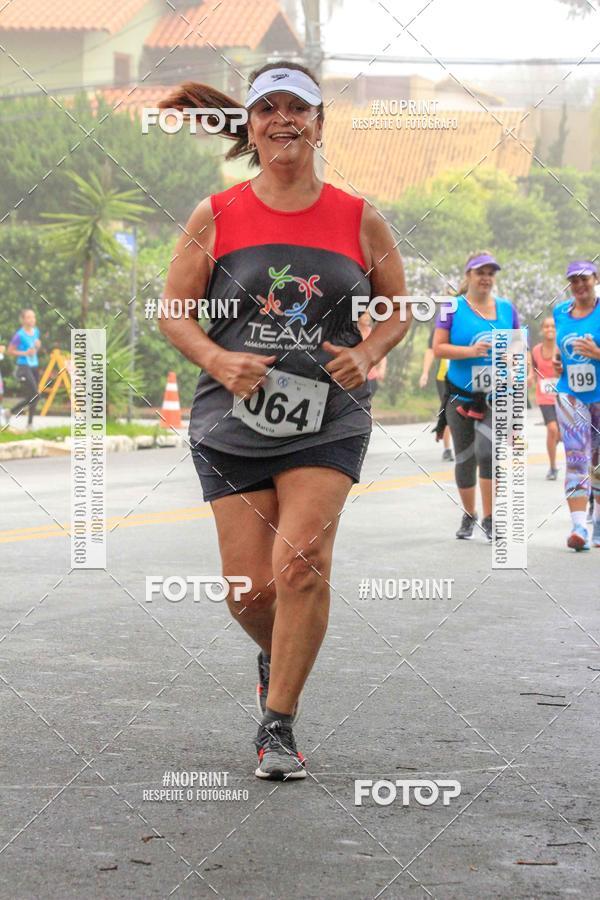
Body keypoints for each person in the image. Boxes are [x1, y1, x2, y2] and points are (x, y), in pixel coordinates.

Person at [158, 62, 410, 780]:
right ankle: (278, 652)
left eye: (296, 107)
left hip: (328, 416)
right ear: (252, 125)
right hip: (231, 420)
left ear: (320, 122)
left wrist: (370, 349)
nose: (281, 119)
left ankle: (279, 724)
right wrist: (219, 360)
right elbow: (175, 313)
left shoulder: (359, 215)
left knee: (300, 563)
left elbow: (397, 307)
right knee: (250, 589)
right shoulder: (217, 213)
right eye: (266, 107)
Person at [433, 251, 520, 541]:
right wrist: (470, 352)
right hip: (460, 395)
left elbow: (518, 352)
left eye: (490, 273)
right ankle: (469, 515)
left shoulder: (508, 309)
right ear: (468, 275)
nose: (485, 278)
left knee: (488, 452)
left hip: (497, 396)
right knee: (465, 458)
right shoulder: (450, 307)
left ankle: (491, 518)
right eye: (480, 272)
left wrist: (517, 371)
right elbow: (439, 349)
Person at [552, 261, 600, 551]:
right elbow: (564, 348)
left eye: (584, 278)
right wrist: (562, 362)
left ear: (595, 279)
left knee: (598, 463)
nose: (579, 284)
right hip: (570, 394)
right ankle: (578, 527)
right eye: (574, 280)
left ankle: (598, 529)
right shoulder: (560, 312)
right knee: (575, 458)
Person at [529, 316, 560, 480]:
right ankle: (553, 467)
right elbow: (533, 370)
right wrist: (530, 378)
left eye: (553, 326)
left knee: (559, 434)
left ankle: (556, 440)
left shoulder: (562, 348)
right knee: (552, 429)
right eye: (546, 327)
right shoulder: (535, 350)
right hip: (544, 397)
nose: (549, 329)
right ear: (542, 330)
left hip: (563, 396)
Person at [420, 329, 453, 460]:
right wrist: (425, 373)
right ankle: (447, 449)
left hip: (466, 376)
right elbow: (430, 350)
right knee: (448, 410)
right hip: (444, 377)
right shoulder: (440, 327)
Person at [7, 309, 41, 429]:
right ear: (23, 320)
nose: (32, 320)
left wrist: (37, 346)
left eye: (33, 317)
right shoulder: (19, 335)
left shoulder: (36, 331)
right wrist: (25, 353)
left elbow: (35, 348)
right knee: (36, 395)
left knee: (32, 396)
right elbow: (10, 351)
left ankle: (28, 423)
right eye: (29, 317)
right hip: (23, 367)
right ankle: (12, 412)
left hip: (34, 366)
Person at [358, 313, 388, 398]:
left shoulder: (373, 334)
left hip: (370, 379)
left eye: (369, 314)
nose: (368, 317)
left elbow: (382, 353)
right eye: (365, 314)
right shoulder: (351, 332)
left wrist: (382, 369)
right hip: (353, 377)